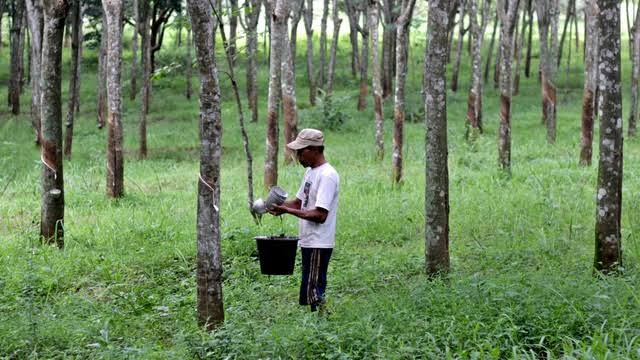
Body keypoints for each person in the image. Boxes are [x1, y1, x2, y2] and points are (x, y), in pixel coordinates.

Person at [268, 129, 340, 312]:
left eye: (301, 152)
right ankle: (319, 320)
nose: (298, 156)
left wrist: (287, 210)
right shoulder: (310, 173)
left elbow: (320, 215)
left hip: (319, 240)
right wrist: (279, 207)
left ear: (315, 150)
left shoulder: (327, 176)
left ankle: (323, 322)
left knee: (314, 289)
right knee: (310, 284)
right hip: (309, 239)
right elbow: (299, 203)